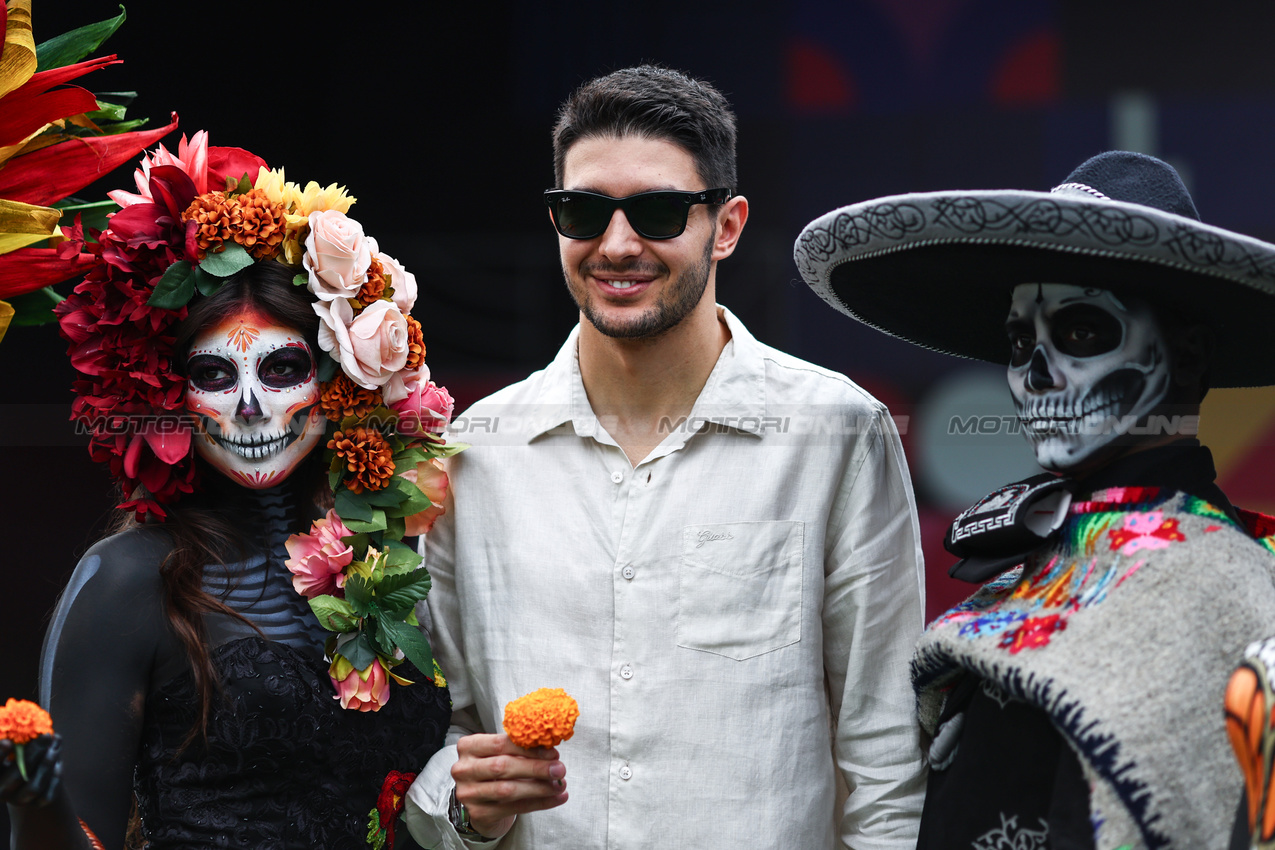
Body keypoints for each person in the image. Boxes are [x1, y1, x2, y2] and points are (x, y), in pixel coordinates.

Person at [403, 65, 927, 849]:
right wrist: (462, 807)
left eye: (656, 211)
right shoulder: (477, 451)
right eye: (582, 211)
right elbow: (431, 743)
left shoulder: (834, 432)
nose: (616, 245)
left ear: (726, 225)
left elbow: (884, 755)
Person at [794, 150, 1275, 849]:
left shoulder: (1226, 586)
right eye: (1021, 342)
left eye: (1081, 331)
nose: (1036, 375)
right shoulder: (1038, 554)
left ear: (1189, 355)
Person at [2, 133, 455, 849]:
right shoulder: (125, 580)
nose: (249, 407)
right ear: (166, 393)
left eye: (282, 369)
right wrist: (34, 803)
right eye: (214, 376)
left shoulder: (386, 560)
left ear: (337, 379)